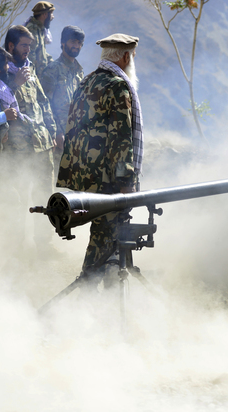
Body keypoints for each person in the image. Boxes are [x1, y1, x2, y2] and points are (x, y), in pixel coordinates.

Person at [56, 33, 144, 288]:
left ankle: (104, 288)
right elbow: (122, 139)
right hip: (107, 179)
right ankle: (90, 291)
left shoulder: (88, 81)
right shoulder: (118, 86)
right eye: (133, 56)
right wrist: (127, 183)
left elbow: (71, 127)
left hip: (85, 174)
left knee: (105, 233)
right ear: (126, 56)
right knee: (106, 235)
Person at [2, 25, 57, 254]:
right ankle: (16, 248)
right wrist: (15, 83)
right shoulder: (1, 71)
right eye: (24, 45)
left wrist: (53, 131)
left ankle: (44, 244)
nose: (28, 51)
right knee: (19, 196)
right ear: (11, 45)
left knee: (45, 194)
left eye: (30, 46)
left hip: (42, 144)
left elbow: (43, 102)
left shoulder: (30, 68)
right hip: (19, 148)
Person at [40, 25, 84, 171]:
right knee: (58, 182)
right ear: (63, 43)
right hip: (59, 138)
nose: (76, 46)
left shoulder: (79, 71)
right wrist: (57, 132)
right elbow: (44, 103)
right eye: (73, 42)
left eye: (79, 43)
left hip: (77, 136)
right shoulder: (53, 69)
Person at [25, 1, 55, 77]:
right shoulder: (33, 30)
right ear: (45, 15)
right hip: (31, 75)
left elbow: (41, 52)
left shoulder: (40, 29)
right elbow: (30, 56)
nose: (53, 17)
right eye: (51, 14)